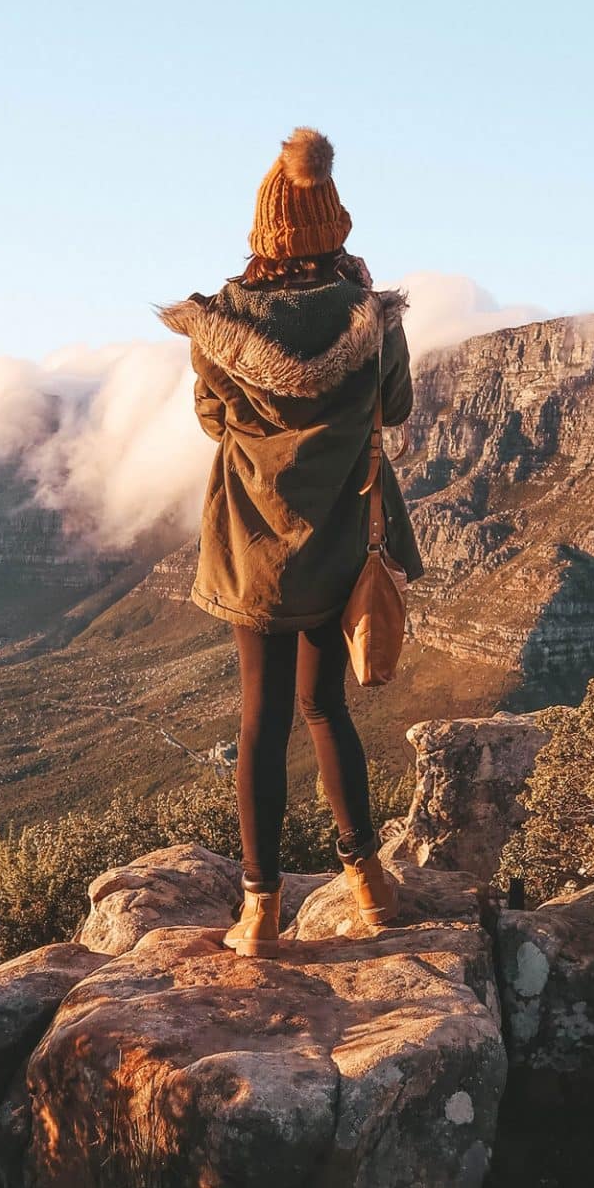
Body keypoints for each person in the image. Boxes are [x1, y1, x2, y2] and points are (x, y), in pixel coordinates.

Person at [158, 128, 424, 957]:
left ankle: (260, 909)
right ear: (334, 224)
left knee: (262, 718)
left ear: (264, 230)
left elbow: (211, 420)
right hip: (342, 544)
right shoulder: (369, 318)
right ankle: (369, 886)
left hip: (252, 549)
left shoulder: (223, 323)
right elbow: (396, 409)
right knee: (325, 709)